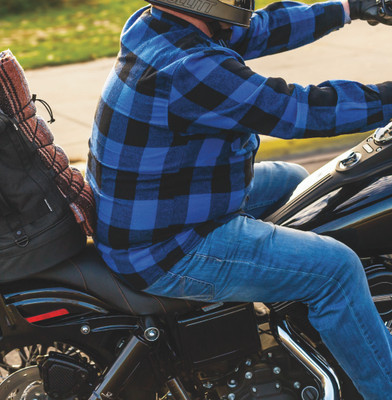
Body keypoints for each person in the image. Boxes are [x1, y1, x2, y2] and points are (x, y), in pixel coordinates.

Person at [86, 0, 392, 398]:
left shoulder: (157, 25)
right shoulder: (190, 67)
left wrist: (350, 8)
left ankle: (305, 326)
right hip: (167, 247)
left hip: (158, 207)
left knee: (296, 181)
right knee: (336, 270)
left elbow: (264, 28)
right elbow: (297, 110)